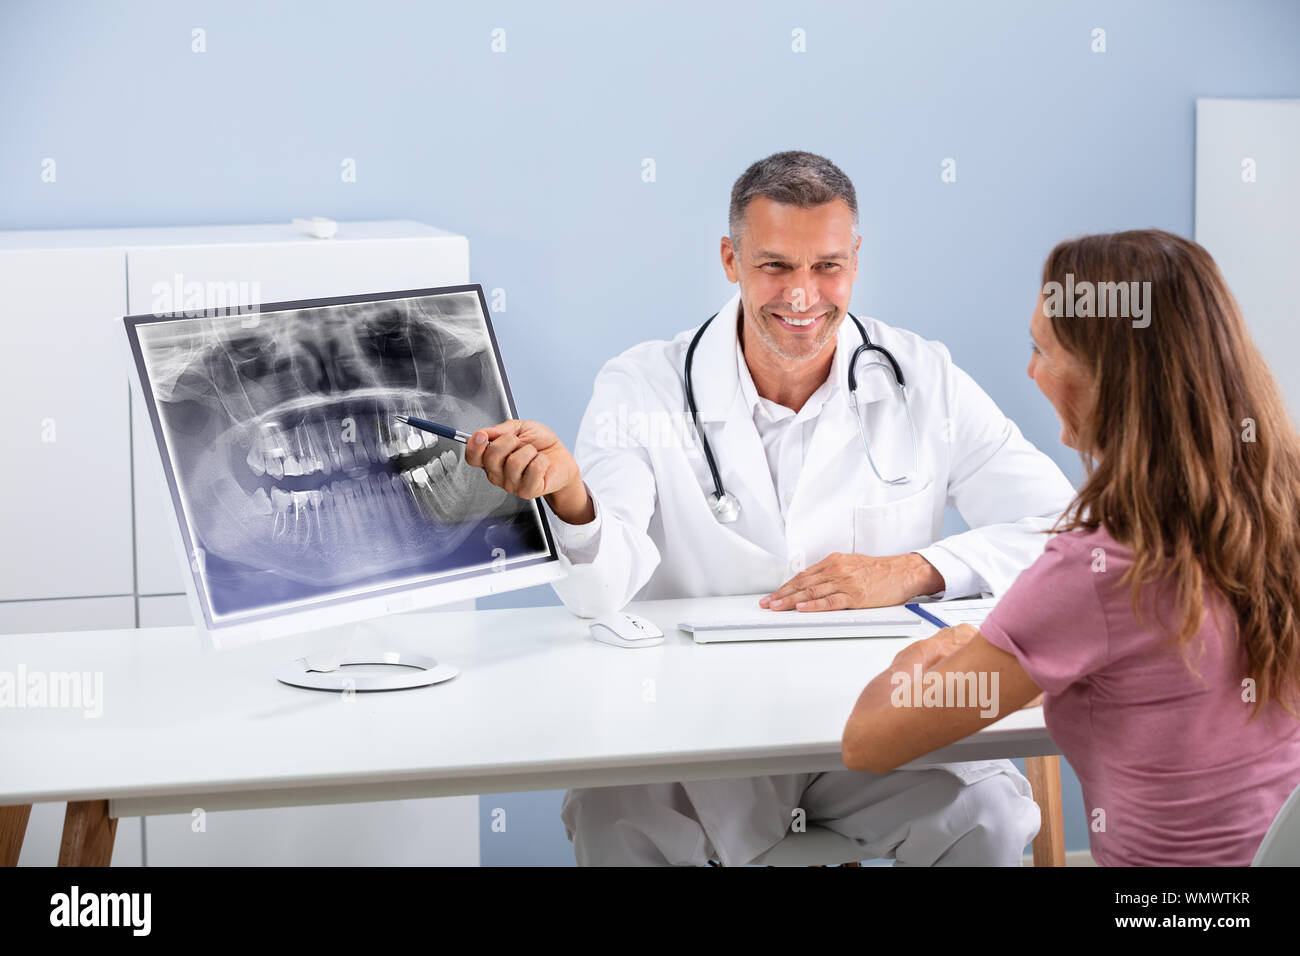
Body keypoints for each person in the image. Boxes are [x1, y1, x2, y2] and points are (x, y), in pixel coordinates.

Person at [465, 151, 1077, 866]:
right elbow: (602, 588)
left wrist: (916, 569)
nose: (802, 296)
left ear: (856, 259)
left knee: (989, 819)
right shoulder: (644, 386)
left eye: (827, 266)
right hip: (689, 731)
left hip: (870, 726)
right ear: (730, 259)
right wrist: (568, 496)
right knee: (613, 819)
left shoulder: (923, 377)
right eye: (776, 266)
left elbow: (1062, 537)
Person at [841, 229, 1300, 866]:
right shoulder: (1281, 514)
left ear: (1111, 379)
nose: (1030, 370)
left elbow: (869, 742)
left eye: (1044, 349)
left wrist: (934, 653)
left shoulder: (1103, 567)